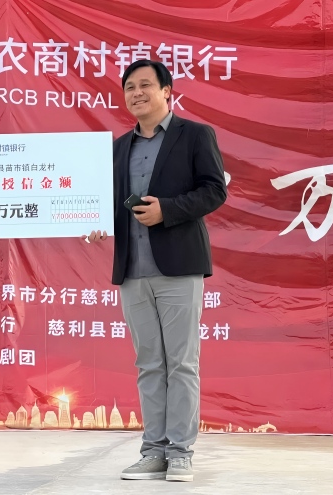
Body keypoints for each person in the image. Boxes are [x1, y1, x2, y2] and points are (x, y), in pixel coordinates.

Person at [85, 60, 227, 482]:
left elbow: (214, 190)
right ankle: (153, 451)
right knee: (149, 363)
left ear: (167, 91)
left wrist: (168, 209)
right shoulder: (118, 148)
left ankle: (180, 452)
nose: (137, 93)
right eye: (130, 87)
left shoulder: (195, 135)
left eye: (146, 85)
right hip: (133, 270)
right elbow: (108, 201)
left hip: (179, 266)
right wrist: (96, 220)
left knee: (181, 362)